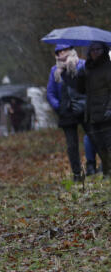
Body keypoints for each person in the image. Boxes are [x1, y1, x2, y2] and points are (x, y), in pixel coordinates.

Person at [45, 43, 88, 181]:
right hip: (66, 112)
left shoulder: (82, 64)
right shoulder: (54, 71)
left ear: (71, 50)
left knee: (94, 137)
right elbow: (50, 92)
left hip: (83, 108)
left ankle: (100, 166)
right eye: (59, 52)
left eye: (64, 50)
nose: (62, 54)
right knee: (71, 145)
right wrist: (58, 106)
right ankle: (77, 173)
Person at [79, 40, 111, 178]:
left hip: (106, 112)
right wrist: (78, 76)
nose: (95, 52)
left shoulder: (109, 67)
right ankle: (106, 171)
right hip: (91, 113)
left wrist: (109, 108)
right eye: (92, 50)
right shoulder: (87, 68)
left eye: (98, 49)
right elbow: (80, 89)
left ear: (104, 50)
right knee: (99, 145)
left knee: (109, 144)